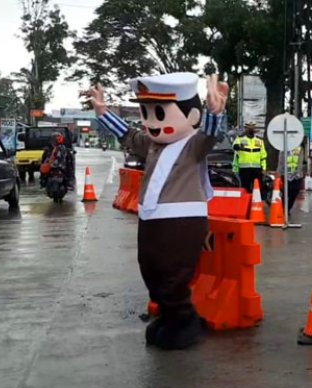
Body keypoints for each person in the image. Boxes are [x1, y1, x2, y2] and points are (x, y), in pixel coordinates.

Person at [89, 73, 227, 350]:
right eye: (147, 113)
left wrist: (215, 113)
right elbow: (128, 135)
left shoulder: (192, 146)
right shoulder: (152, 145)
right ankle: (169, 316)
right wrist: (103, 113)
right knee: (151, 270)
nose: (152, 122)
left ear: (192, 116)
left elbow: (211, 135)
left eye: (160, 113)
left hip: (182, 220)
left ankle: (185, 322)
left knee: (174, 274)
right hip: (151, 220)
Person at [232, 122, 267, 193]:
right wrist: (239, 146)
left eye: (252, 127)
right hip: (244, 169)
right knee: (245, 189)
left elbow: (263, 156)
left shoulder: (259, 140)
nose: (250, 129)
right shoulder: (240, 139)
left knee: (257, 189)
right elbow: (234, 147)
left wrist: (264, 168)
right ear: (245, 129)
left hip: (257, 169)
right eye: (248, 127)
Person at [277, 145, 306, 213]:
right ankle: (284, 209)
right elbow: (280, 161)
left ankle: (288, 208)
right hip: (285, 174)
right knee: (285, 192)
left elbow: (300, 161)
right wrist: (279, 172)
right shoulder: (283, 147)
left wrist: (299, 173)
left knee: (295, 191)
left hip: (296, 175)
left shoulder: (299, 148)